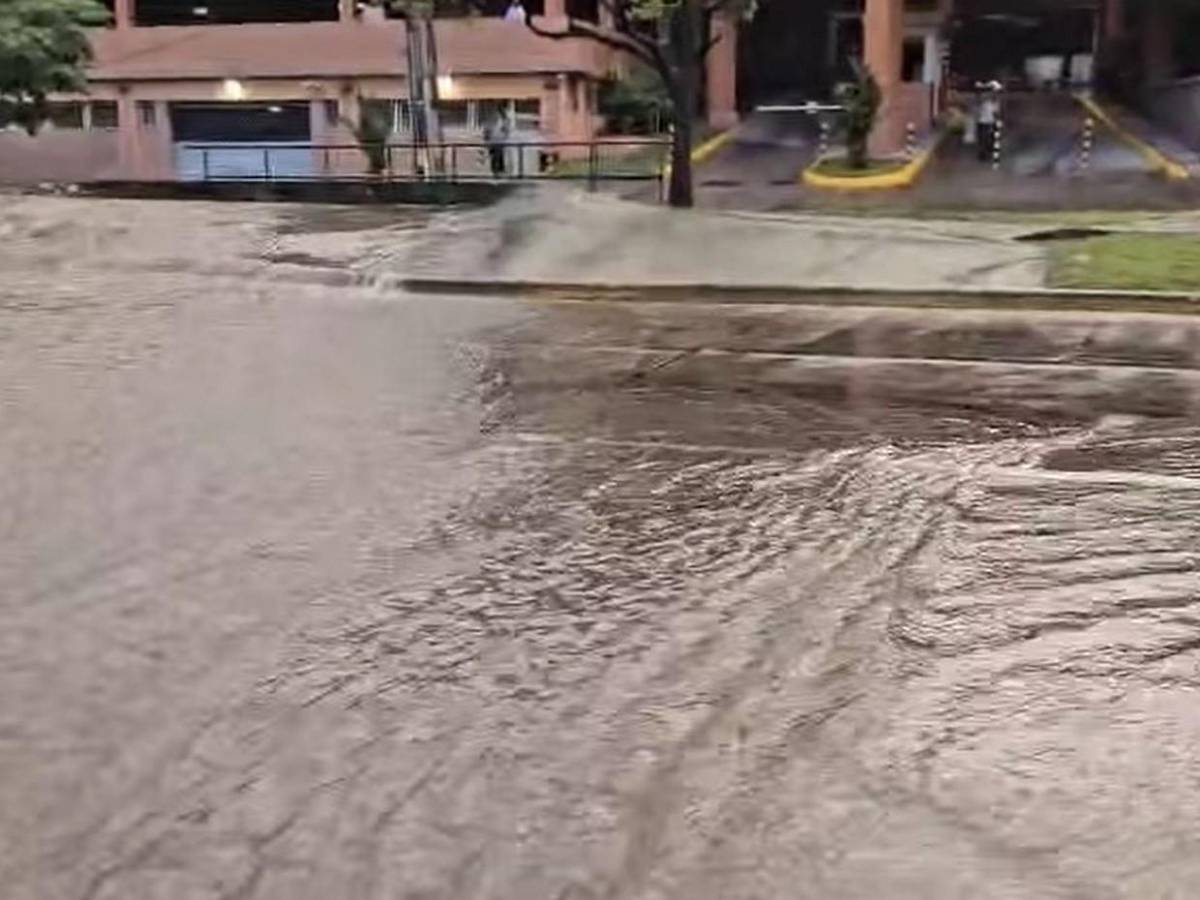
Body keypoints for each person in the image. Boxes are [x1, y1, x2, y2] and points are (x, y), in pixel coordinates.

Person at [976, 83, 1000, 163]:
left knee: (986, 138)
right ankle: (983, 152)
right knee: (984, 138)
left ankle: (985, 151)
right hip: (983, 122)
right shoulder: (985, 101)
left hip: (988, 122)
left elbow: (996, 113)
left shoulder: (993, 103)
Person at [483, 108, 509, 177]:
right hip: (495, 141)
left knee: (498, 156)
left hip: (498, 141)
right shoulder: (491, 122)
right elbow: (486, 132)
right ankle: (496, 171)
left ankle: (498, 170)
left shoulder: (503, 121)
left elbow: (506, 131)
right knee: (495, 156)